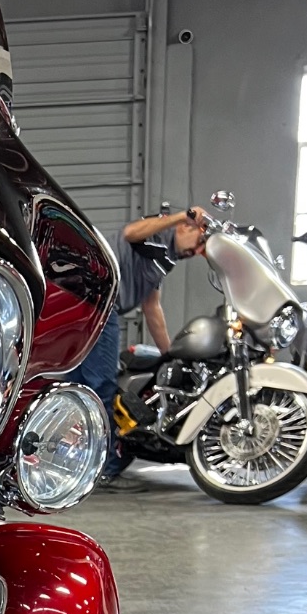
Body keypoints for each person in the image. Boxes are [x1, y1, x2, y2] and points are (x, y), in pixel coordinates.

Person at [76, 205, 210, 480]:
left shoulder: (164, 257)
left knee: (75, 384)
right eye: (199, 243)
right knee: (101, 385)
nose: (197, 252)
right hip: (98, 300)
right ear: (185, 228)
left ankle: (75, 456)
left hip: (87, 303)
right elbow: (130, 232)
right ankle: (104, 468)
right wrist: (180, 216)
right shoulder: (158, 234)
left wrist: (169, 354)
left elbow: (152, 308)